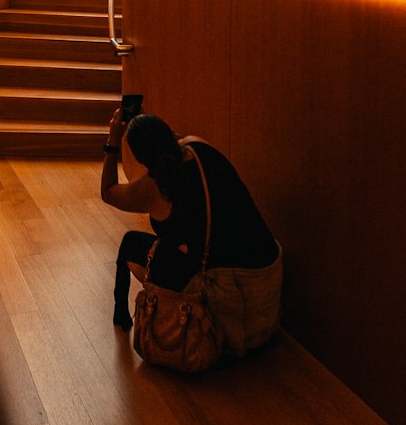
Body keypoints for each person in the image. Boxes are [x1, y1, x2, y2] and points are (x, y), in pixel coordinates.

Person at [101, 110, 278, 332]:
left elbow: (108, 192)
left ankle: (122, 316)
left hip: (226, 285)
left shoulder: (151, 188)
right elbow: (178, 141)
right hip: (265, 275)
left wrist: (113, 141)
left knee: (131, 243)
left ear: (139, 157)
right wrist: (152, 126)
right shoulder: (199, 146)